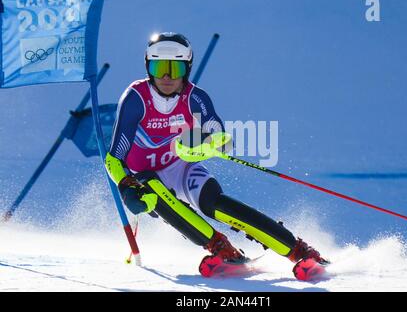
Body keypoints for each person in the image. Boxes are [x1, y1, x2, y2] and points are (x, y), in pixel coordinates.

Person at [104, 32, 326, 275]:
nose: (166, 76)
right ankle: (220, 247)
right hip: (145, 177)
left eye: (175, 68)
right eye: (159, 67)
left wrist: (197, 144)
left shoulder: (195, 98)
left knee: (213, 204)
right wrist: (126, 185)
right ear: (148, 67)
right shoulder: (136, 98)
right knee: (152, 188)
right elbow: (114, 158)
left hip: (181, 167)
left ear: (186, 69)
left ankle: (299, 251)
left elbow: (221, 137)